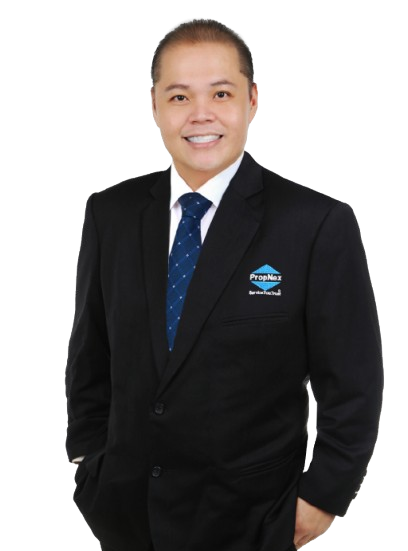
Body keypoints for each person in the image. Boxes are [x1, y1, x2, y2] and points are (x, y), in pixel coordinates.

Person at [65, 17, 383, 551]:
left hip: (252, 518)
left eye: (221, 93)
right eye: (179, 96)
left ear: (252, 100)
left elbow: (354, 382)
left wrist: (322, 498)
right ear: (154, 105)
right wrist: (87, 458)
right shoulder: (110, 212)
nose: (201, 114)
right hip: (126, 515)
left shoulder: (316, 223)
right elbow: (90, 350)